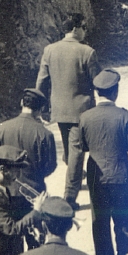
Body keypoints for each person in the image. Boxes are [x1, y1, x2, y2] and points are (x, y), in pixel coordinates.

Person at [66, 69, 128, 255]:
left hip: (96, 174)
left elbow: (83, 147)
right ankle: (123, 253)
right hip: (120, 172)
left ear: (97, 93)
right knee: (124, 213)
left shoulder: (85, 117)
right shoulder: (126, 116)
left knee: (99, 217)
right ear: (115, 91)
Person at [36, 13, 100, 192]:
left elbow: (41, 81)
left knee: (69, 150)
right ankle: (70, 196)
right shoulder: (87, 52)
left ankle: (76, 172)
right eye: (84, 27)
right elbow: (98, 81)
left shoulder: (49, 50)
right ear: (75, 28)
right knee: (76, 152)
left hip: (58, 110)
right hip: (81, 111)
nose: (85, 32)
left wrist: (41, 107)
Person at [0, 89, 58, 196]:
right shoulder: (45, 134)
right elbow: (50, 166)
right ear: (40, 109)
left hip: (7, 191)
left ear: (22, 102)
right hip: (34, 191)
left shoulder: (2, 129)